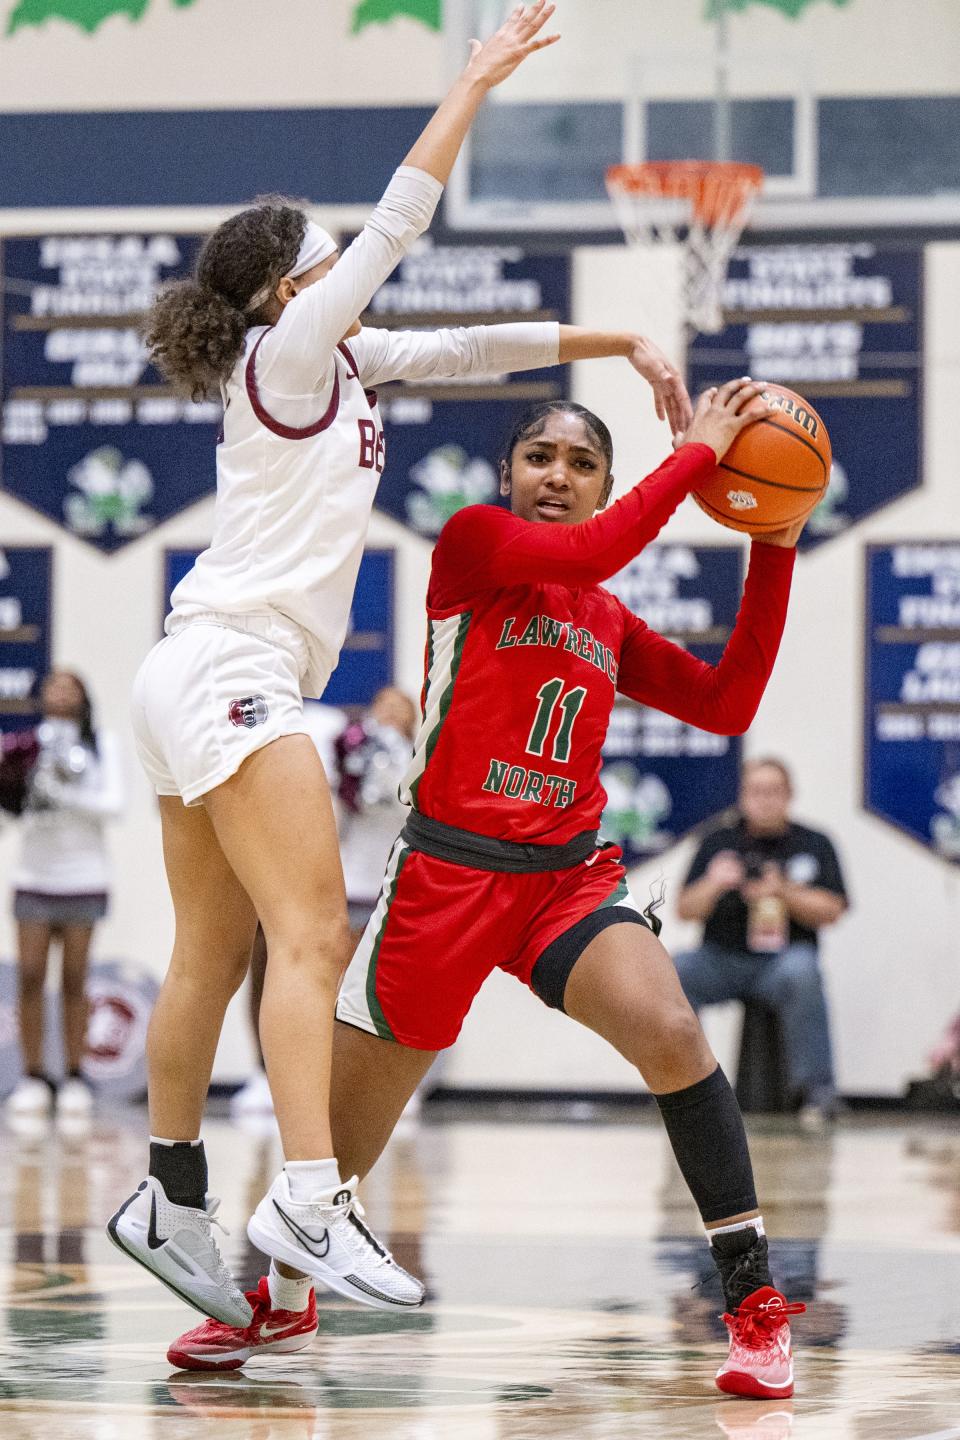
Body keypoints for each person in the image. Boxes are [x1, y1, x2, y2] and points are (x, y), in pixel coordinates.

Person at [108, 0, 695, 1334]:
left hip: (185, 673)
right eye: (329, 259)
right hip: (234, 674)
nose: (353, 268)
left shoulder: (341, 356)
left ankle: (170, 1188)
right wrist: (475, 79)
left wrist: (621, 345)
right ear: (286, 287)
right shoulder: (294, 344)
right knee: (315, 935)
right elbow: (400, 222)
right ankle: (312, 1196)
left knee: (212, 950)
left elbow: (474, 348)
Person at [166, 382, 808, 1399]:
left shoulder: (604, 615)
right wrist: (697, 457)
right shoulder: (473, 546)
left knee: (676, 1037)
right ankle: (283, 1296)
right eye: (541, 457)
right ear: (510, 476)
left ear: (602, 483)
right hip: (447, 880)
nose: (559, 474)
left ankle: (754, 1306)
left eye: (583, 463)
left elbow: (727, 703)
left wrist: (775, 540)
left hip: (566, 883)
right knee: (341, 1146)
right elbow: (594, 550)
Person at [674, 758, 848, 1129]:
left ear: (789, 796)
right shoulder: (718, 840)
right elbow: (684, 909)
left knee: (804, 971)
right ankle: (683, 1085)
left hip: (781, 963)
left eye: (774, 791)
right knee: (677, 969)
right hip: (721, 960)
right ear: (742, 796)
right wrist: (715, 882)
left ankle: (817, 1092)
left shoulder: (814, 843)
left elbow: (833, 909)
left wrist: (784, 891)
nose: (765, 800)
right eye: (756, 791)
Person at [4, 671, 123, 1122]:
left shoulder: (101, 745)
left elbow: (115, 804)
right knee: (31, 974)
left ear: (83, 697)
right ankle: (33, 1075)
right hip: (33, 874)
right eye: (51, 685)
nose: (59, 692)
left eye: (69, 686)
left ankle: (76, 1073)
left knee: (75, 977)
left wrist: (63, 795)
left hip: (84, 876)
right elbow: (13, 808)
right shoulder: (26, 744)